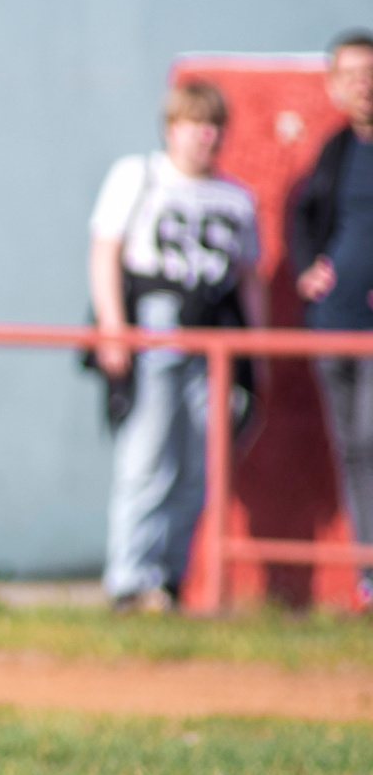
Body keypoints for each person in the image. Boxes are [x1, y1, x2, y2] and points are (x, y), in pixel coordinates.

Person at [89, 78, 263, 613]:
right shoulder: (138, 175)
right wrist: (113, 331)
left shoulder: (235, 197)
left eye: (214, 126)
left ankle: (167, 581)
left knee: (198, 464)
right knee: (145, 459)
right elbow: (105, 253)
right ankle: (128, 581)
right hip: (155, 325)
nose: (204, 137)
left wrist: (257, 355)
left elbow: (248, 279)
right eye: (194, 125)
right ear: (172, 129)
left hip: (216, 332)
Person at [290, 29, 373, 604]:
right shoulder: (334, 151)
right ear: (334, 85)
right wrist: (307, 270)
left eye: (370, 72)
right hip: (334, 325)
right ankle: (368, 575)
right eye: (351, 75)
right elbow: (303, 216)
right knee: (353, 448)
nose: (363, 85)